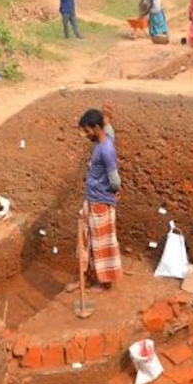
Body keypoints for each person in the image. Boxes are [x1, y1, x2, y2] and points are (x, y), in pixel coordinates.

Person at [68, 108, 122, 293]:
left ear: (97, 128)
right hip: (92, 199)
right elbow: (109, 128)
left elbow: (115, 179)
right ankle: (85, 277)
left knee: (101, 243)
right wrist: (106, 117)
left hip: (101, 202)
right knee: (85, 241)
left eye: (87, 130)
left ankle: (103, 282)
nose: (85, 135)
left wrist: (113, 192)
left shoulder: (106, 151)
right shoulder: (105, 136)